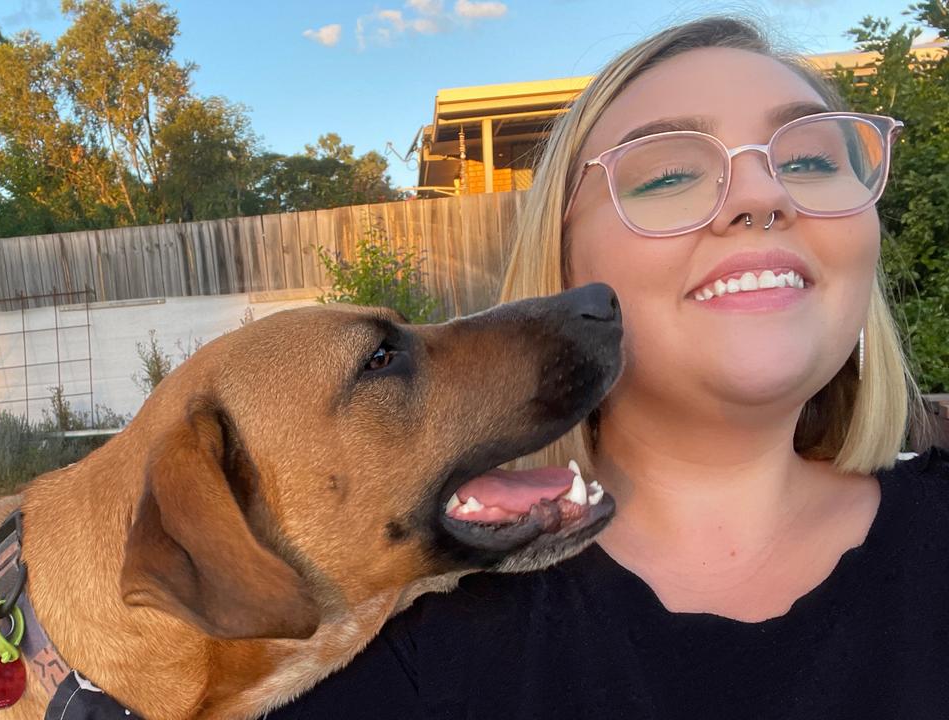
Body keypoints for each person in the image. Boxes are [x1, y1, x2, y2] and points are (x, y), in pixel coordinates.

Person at [267, 16, 948, 720]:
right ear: (562, 270)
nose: (762, 198)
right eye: (671, 174)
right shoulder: (396, 655)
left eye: (809, 161)